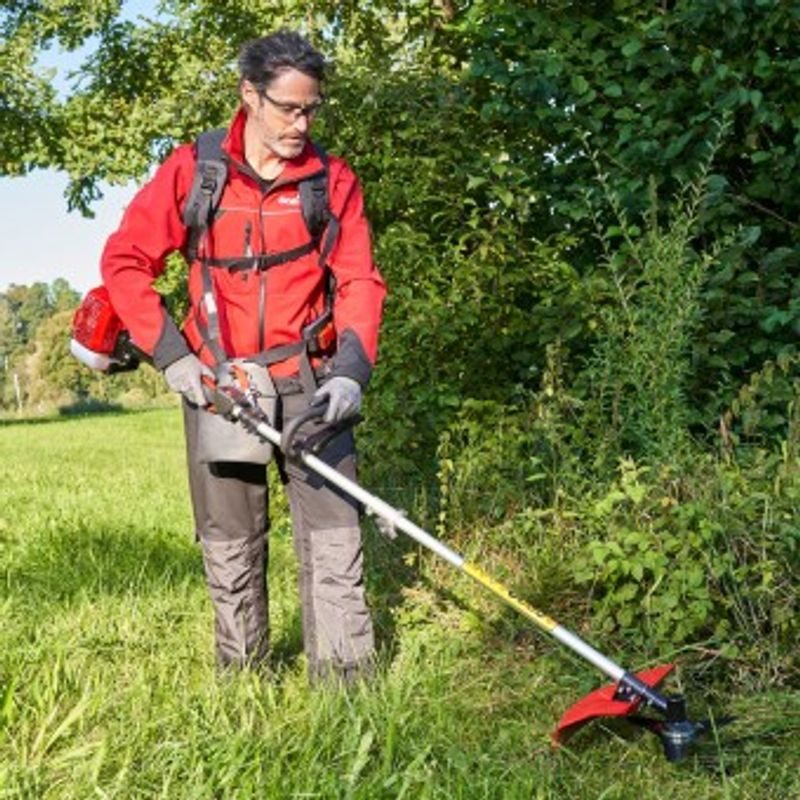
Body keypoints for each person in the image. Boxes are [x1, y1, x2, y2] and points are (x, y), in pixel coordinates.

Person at [101, 30, 386, 684]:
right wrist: (173, 356)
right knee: (232, 547)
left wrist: (351, 372)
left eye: (311, 109)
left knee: (336, 542)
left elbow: (361, 281)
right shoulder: (194, 172)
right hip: (221, 385)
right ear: (249, 95)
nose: (300, 124)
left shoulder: (330, 180)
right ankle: (246, 684)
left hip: (312, 383)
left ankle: (347, 692)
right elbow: (124, 262)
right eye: (288, 108)